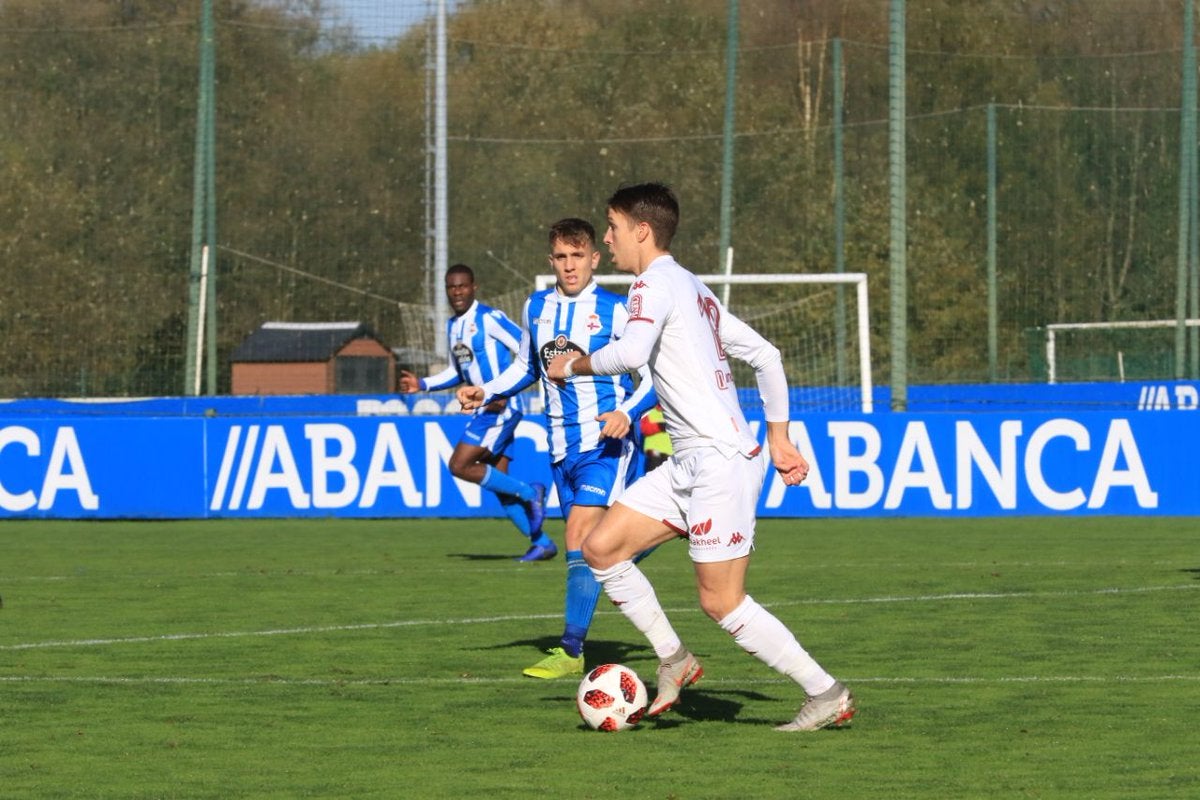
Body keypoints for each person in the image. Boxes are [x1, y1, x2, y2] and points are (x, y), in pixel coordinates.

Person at [545, 183, 856, 731]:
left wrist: (573, 365)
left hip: (719, 464)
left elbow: (633, 353)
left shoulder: (652, 285)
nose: (608, 238)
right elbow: (766, 355)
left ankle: (825, 692)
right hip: (689, 463)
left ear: (641, 230)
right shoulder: (693, 288)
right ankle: (674, 659)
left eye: (612, 227)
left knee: (723, 603)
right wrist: (778, 438)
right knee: (601, 547)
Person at [458, 218, 658, 680]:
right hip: (560, 450)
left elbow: (648, 377)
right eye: (561, 258)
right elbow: (527, 367)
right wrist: (485, 390)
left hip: (605, 444)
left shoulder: (616, 310)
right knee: (595, 551)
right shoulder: (536, 307)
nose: (569, 266)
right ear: (551, 261)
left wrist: (626, 412)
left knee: (580, 541)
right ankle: (645, 542)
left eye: (577, 256)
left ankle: (570, 649)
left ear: (594, 258)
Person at [400, 263, 552, 562]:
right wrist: (422, 384)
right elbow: (457, 371)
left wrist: (502, 389)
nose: (457, 292)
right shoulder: (452, 326)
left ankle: (531, 492)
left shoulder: (489, 318)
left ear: (474, 287)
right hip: (486, 408)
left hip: (500, 407)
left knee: (459, 464)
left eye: (462, 286)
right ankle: (542, 543)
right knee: (498, 483)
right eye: (451, 287)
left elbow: (527, 349)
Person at [639, 404, 672, 472]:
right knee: (654, 475)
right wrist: (659, 426)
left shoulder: (672, 411)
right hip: (654, 450)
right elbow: (644, 428)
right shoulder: (650, 410)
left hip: (670, 451)